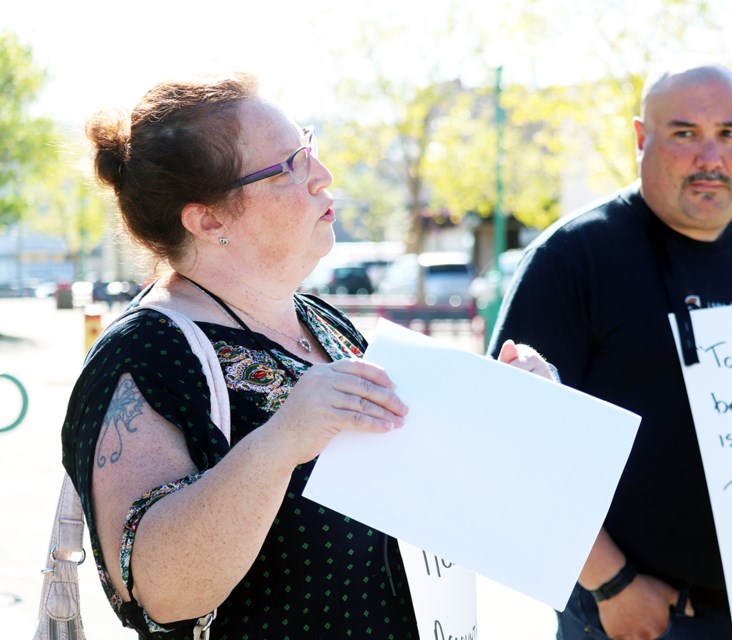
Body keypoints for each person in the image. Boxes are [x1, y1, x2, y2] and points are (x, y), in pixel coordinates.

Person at [62, 72, 553, 639]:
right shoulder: (144, 353)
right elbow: (159, 592)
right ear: (208, 219)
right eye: (288, 165)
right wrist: (279, 444)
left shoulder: (326, 323)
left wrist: (515, 410)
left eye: (309, 147)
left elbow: (437, 502)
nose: (322, 176)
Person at [489, 58, 732, 639]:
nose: (710, 157)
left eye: (728, 134)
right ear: (641, 138)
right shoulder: (574, 259)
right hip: (635, 617)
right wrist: (611, 583)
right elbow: (510, 441)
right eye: (685, 134)